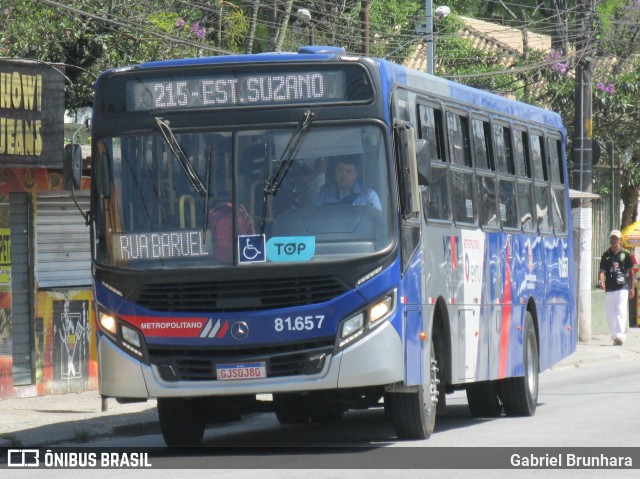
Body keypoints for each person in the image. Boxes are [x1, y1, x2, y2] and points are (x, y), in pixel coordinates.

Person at [598, 229, 635, 346]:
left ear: (620, 240)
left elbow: (631, 272)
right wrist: (601, 281)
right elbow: (602, 271)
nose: (614, 240)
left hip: (622, 287)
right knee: (610, 313)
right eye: (612, 238)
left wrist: (632, 288)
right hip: (610, 288)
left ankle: (619, 336)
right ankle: (615, 335)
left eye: (616, 238)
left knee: (620, 311)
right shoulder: (606, 255)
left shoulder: (626, 254)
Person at [315, 155, 381, 210]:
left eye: (349, 171)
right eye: (340, 171)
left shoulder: (369, 196)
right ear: (335, 172)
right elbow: (315, 219)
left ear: (356, 174)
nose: (344, 175)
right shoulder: (323, 195)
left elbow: (378, 222)